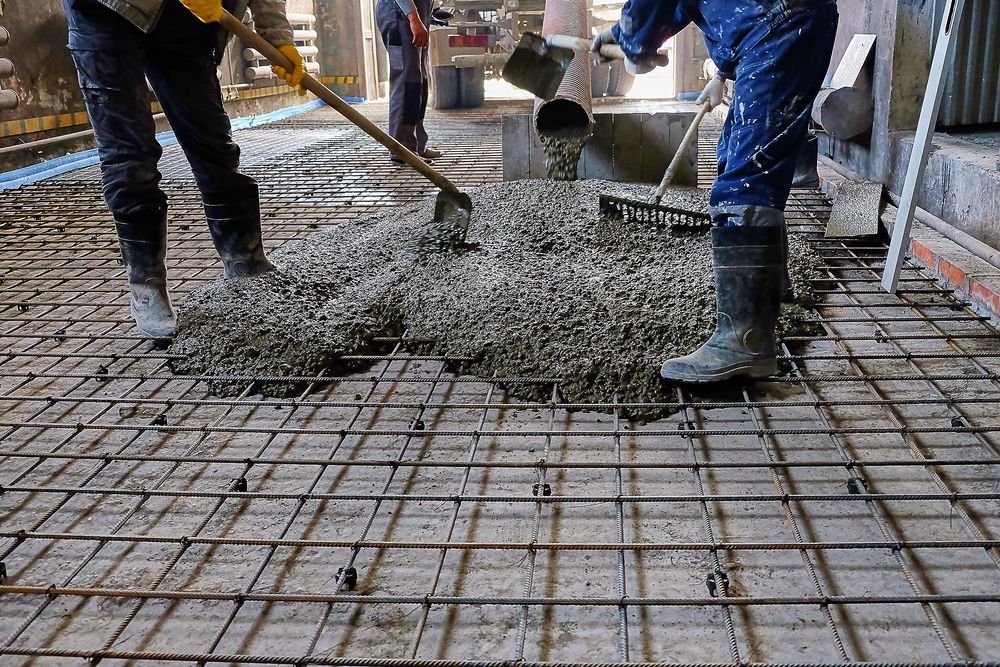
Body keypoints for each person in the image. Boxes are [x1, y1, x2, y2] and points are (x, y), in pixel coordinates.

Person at [593, 0, 838, 383]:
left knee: (746, 177)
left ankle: (745, 340)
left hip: (777, 26)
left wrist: (633, 40)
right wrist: (721, 72)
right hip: (786, 20)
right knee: (746, 153)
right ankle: (771, 288)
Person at [63, 0, 306, 338]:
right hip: (106, 13)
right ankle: (147, 288)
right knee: (129, 154)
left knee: (211, 141)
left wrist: (278, 37)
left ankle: (246, 261)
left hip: (186, 17)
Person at [375, 0, 442, 163]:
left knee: (418, 82)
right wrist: (414, 19)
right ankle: (402, 149)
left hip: (415, 15)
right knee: (406, 83)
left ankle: (417, 145)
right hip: (399, 17)